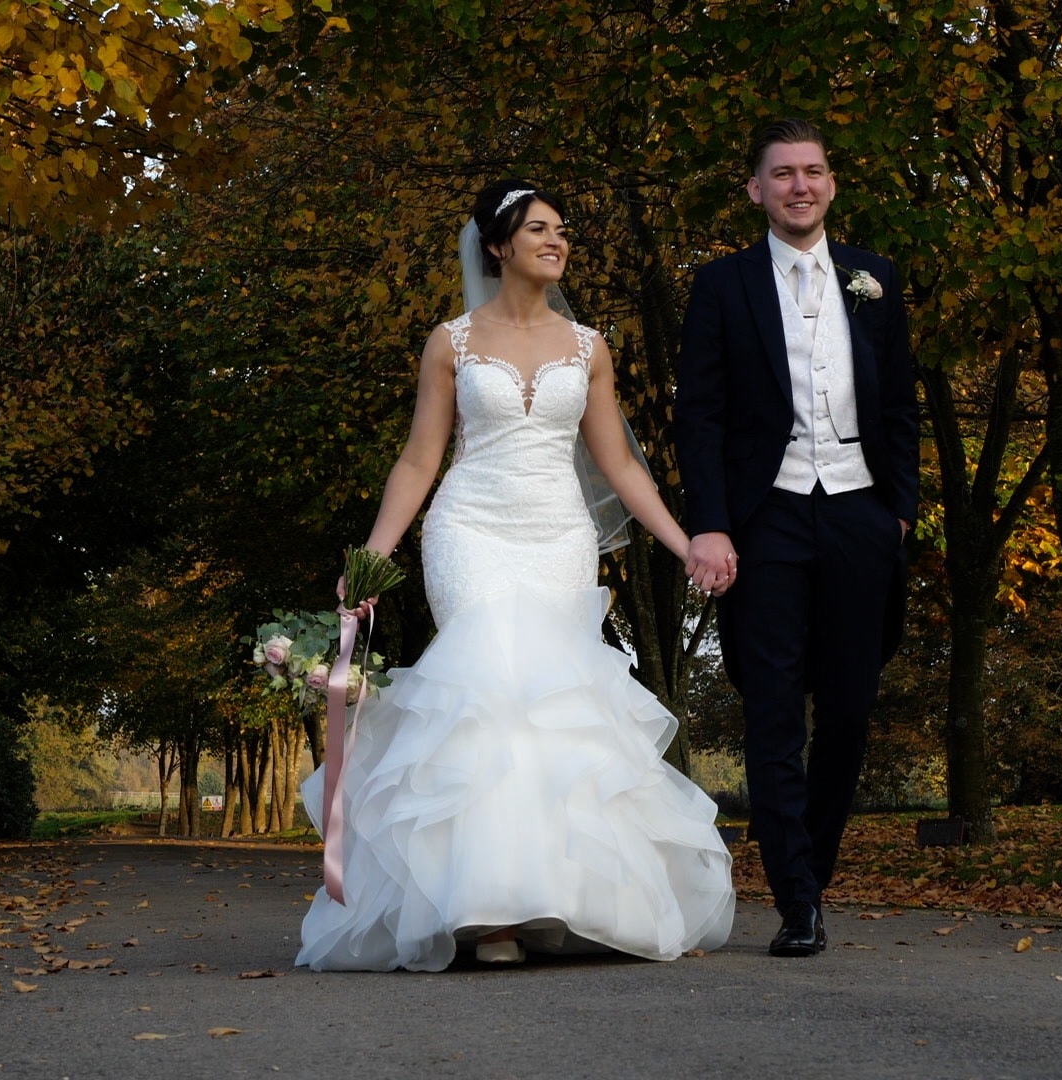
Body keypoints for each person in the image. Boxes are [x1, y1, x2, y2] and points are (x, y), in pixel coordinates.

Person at [295, 180, 737, 972]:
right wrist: (372, 556)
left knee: (550, 709)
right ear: (497, 246)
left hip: (560, 534)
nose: (555, 241)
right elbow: (420, 457)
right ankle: (488, 911)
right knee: (489, 696)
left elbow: (620, 466)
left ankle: (557, 900)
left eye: (561, 230)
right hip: (470, 531)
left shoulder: (588, 347)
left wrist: (683, 543)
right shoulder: (452, 343)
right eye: (538, 229)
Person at [674, 118, 919, 958]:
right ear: (755, 190)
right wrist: (708, 521)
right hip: (766, 514)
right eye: (782, 174)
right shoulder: (722, 285)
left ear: (832, 183)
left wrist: (901, 511)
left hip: (859, 511)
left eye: (812, 171)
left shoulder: (874, 278)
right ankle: (796, 897)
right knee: (773, 708)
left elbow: (899, 408)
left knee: (849, 707)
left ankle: (813, 861)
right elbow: (698, 416)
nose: (799, 186)